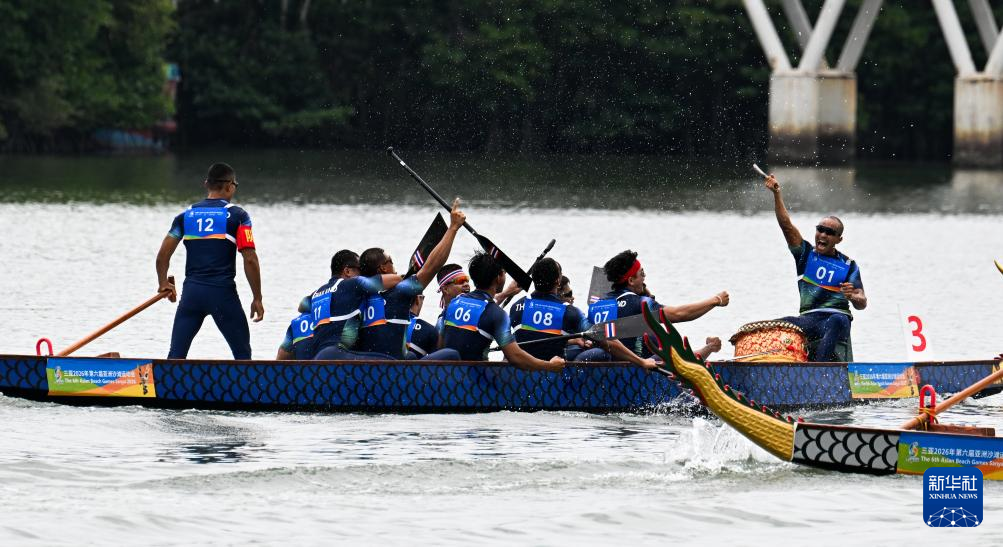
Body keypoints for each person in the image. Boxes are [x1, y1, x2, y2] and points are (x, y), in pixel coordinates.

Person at [156, 162, 263, 359]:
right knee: (242, 355)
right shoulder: (238, 216)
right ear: (230, 186)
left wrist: (163, 282)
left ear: (206, 184)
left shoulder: (185, 216)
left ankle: (168, 378)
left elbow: (163, 256)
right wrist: (257, 297)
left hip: (192, 295)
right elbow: (250, 259)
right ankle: (244, 379)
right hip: (222, 294)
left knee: (176, 355)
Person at [764, 173, 866, 361]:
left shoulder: (848, 265)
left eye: (830, 232)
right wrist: (777, 194)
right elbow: (786, 226)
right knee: (778, 325)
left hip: (838, 319)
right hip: (809, 320)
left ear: (839, 239)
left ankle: (819, 369)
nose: (823, 235)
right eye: (820, 229)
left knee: (836, 320)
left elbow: (862, 302)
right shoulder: (805, 255)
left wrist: (853, 296)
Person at [356, 200, 466, 359]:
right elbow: (432, 266)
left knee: (411, 356)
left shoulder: (354, 297)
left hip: (362, 368)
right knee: (451, 354)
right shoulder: (399, 292)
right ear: (383, 269)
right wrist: (453, 228)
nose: (394, 266)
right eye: (391, 261)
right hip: (394, 369)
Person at [576, 250, 725, 362]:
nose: (645, 277)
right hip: (633, 368)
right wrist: (715, 300)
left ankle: (709, 347)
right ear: (631, 281)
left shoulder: (596, 305)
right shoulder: (639, 303)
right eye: (642, 273)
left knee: (648, 335)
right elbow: (679, 314)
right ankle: (710, 347)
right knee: (669, 350)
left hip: (601, 362)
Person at [510, 258, 657, 370]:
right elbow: (606, 341)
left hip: (518, 373)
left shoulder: (516, 307)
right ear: (558, 281)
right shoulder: (569, 312)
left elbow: (538, 336)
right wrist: (641, 362)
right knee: (603, 352)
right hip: (552, 375)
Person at [440, 252, 564, 372]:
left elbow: (439, 344)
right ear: (498, 278)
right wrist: (549, 366)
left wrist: (506, 293)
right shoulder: (497, 314)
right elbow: (515, 357)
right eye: (504, 272)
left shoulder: (454, 303)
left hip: (443, 373)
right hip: (473, 379)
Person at [309, 250, 403, 360]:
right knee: (391, 361)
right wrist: (405, 278)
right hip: (337, 353)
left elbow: (301, 306)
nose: (363, 274)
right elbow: (376, 283)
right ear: (347, 271)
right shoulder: (351, 284)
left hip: (318, 357)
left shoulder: (315, 294)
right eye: (360, 269)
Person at [405, 295, 439, 359]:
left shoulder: (387, 323)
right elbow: (434, 363)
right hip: (414, 365)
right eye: (423, 298)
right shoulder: (429, 330)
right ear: (418, 299)